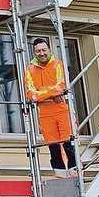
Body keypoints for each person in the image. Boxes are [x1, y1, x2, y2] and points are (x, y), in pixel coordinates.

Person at [24, 37, 77, 178]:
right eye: (38, 51)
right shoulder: (29, 69)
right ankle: (59, 174)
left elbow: (62, 86)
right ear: (34, 53)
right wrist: (52, 93)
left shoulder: (58, 65)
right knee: (53, 146)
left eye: (43, 50)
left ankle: (75, 173)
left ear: (49, 50)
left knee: (68, 143)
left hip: (61, 109)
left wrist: (42, 94)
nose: (41, 53)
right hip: (45, 112)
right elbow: (30, 94)